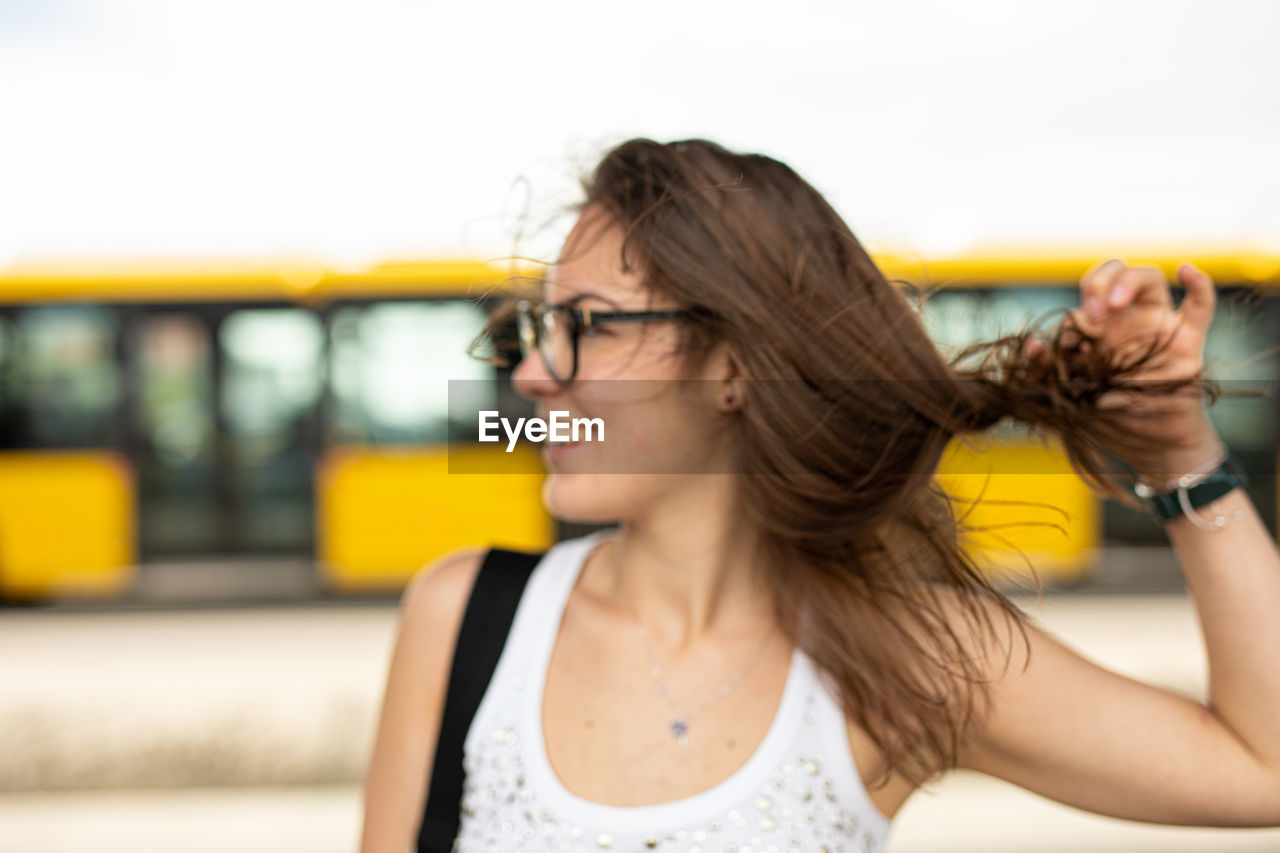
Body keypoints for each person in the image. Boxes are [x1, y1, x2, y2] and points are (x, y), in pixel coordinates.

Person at [359, 138, 1280, 852]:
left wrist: (1179, 458)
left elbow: (1262, 768)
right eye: (535, 327)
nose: (531, 377)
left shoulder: (906, 657)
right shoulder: (467, 616)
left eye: (586, 327)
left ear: (733, 364)